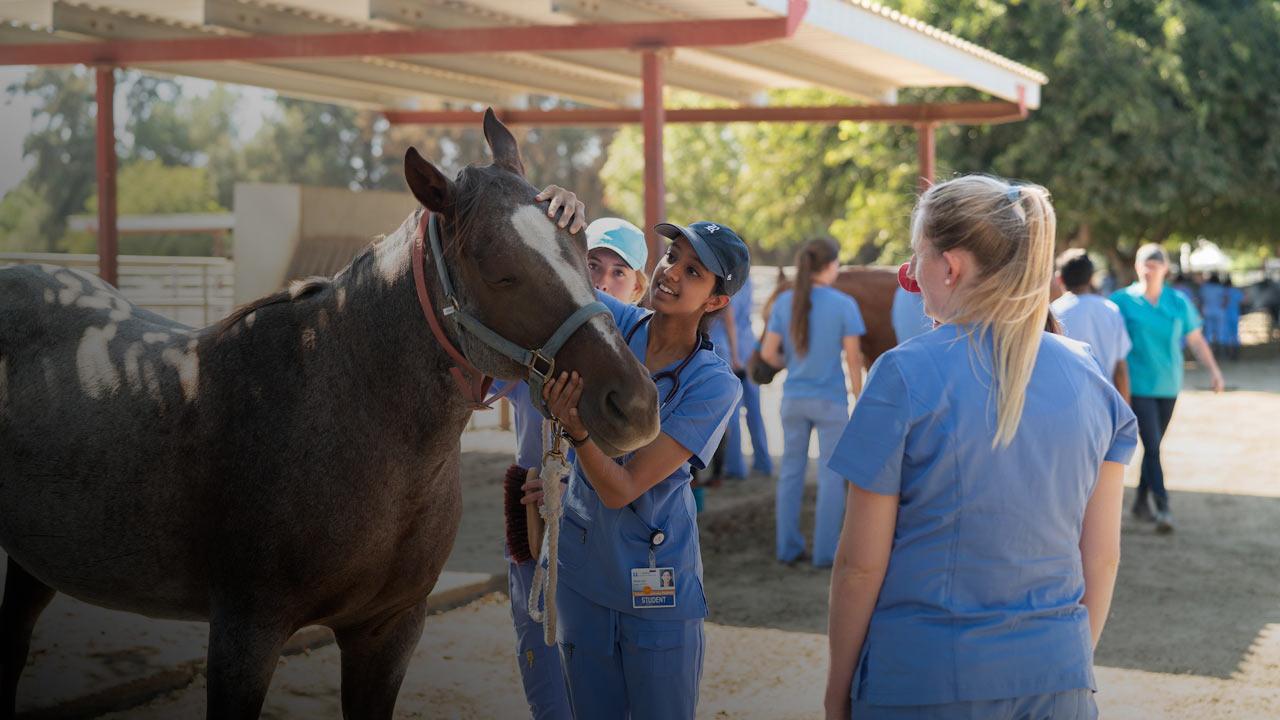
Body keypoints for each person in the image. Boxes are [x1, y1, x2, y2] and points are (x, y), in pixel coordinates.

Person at [824, 176, 1139, 720]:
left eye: (915, 260)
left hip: (922, 680)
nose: (912, 277)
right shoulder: (1089, 377)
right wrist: (1062, 662)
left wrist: (837, 691)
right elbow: (1103, 557)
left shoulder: (902, 373)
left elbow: (859, 567)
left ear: (949, 266)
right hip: (1057, 679)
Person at [540, 220, 748, 720]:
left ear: (716, 301)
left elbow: (624, 488)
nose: (670, 271)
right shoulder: (610, 324)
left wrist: (579, 430)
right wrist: (561, 211)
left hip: (657, 587)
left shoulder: (713, 384)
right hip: (584, 577)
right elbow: (550, 271)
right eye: (671, 255)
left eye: (693, 270)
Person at [501, 208, 646, 720]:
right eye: (593, 266)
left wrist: (576, 487)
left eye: (618, 272)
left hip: (609, 544)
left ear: (638, 288)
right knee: (549, 693)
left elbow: (649, 470)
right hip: (534, 530)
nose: (603, 282)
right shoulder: (534, 348)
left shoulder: (644, 368)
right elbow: (472, 380)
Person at [761, 237, 865, 568]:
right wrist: (860, 397)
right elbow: (853, 359)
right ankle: (824, 554)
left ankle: (786, 549)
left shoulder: (784, 302)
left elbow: (767, 354)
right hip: (831, 402)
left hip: (793, 399)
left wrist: (791, 363)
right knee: (831, 477)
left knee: (790, 474)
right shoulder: (844, 304)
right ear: (831, 265)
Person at [1111, 244, 1225, 533]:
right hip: (1136, 385)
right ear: (1137, 267)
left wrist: (1214, 371)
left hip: (1169, 384)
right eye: (1145, 264)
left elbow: (1196, 340)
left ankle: (1139, 502)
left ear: (1165, 269)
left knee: (1154, 446)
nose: (1149, 270)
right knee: (1151, 444)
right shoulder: (1121, 301)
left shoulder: (1178, 302)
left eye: (1155, 264)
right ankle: (1163, 507)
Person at [710, 272, 773, 479]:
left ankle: (736, 467)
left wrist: (735, 356)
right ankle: (763, 462)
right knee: (755, 408)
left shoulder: (724, 282)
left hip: (728, 349)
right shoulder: (748, 280)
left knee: (732, 412)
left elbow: (729, 320)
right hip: (748, 346)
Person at [1051, 248, 1133, 402]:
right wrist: (1126, 408)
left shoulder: (1053, 312)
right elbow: (1120, 367)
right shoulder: (1111, 310)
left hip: (1066, 402)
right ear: (1090, 278)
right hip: (1105, 401)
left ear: (1059, 278)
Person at [1199, 272, 1226, 355]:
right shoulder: (1220, 288)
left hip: (1207, 312)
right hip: (1219, 312)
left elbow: (1201, 300)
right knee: (1220, 332)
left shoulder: (1204, 288)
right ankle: (1221, 353)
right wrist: (1222, 306)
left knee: (1208, 333)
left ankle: (1209, 353)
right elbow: (1225, 299)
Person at [1224, 276, 1243, 361]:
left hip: (1225, 316)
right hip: (1235, 315)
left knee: (1227, 335)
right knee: (1235, 334)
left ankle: (1228, 354)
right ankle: (1236, 354)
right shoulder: (1236, 291)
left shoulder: (1223, 292)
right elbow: (1244, 300)